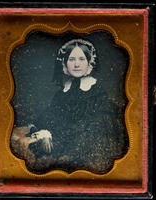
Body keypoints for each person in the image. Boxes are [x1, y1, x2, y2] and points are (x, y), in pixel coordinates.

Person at [11, 39, 129, 174]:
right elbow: (49, 116)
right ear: (65, 63)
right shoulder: (61, 94)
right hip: (62, 137)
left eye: (81, 59)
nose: (77, 64)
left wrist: (53, 137)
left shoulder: (97, 93)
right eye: (72, 59)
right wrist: (39, 131)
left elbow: (93, 126)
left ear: (89, 63)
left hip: (83, 142)